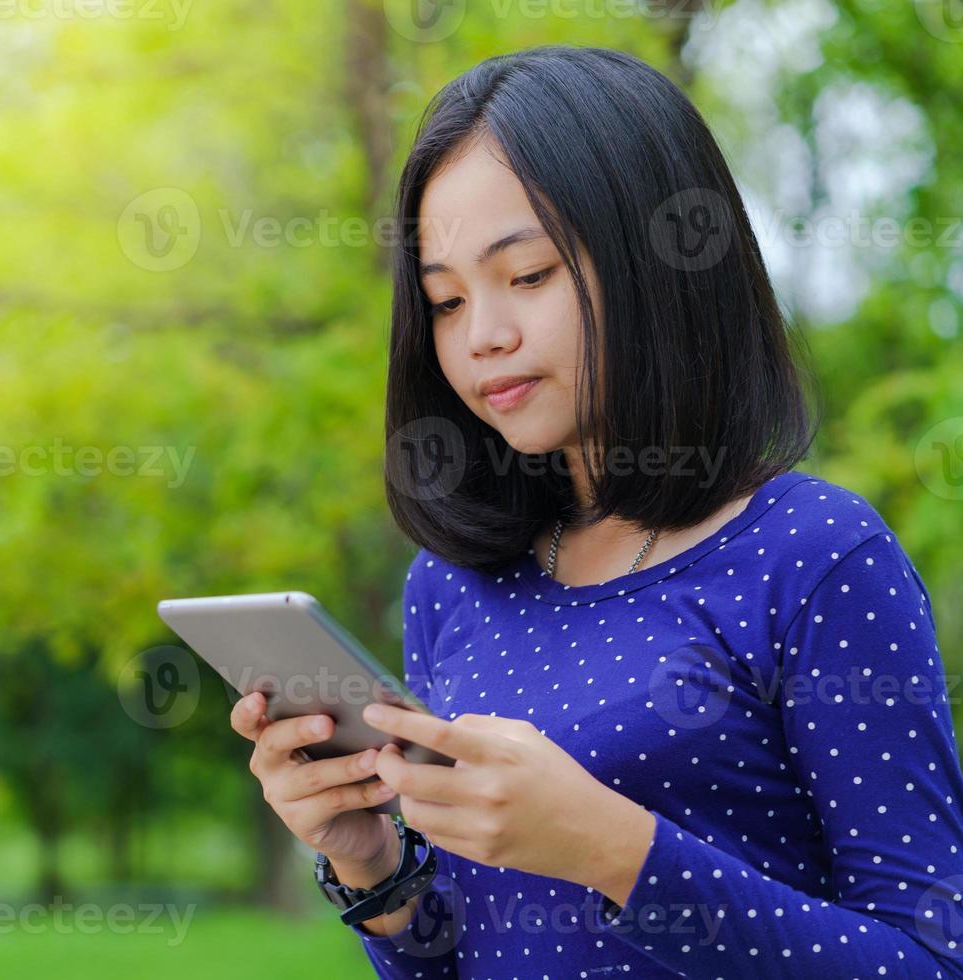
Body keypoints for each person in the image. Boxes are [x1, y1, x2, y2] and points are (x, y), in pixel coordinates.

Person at [229, 45, 963, 978]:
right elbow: (465, 956)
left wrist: (615, 850)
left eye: (528, 276)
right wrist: (373, 868)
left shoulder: (814, 557)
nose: (483, 337)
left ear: (659, 269)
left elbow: (930, 956)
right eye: (445, 301)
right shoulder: (452, 587)